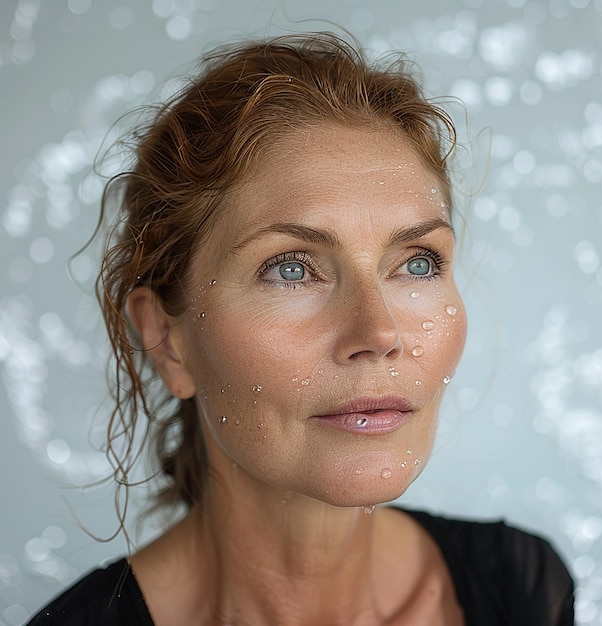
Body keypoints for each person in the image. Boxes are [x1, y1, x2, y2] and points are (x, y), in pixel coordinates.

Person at [28, 32, 574, 625]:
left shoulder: (524, 587)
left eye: (417, 263)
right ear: (168, 339)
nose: (380, 331)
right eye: (291, 269)